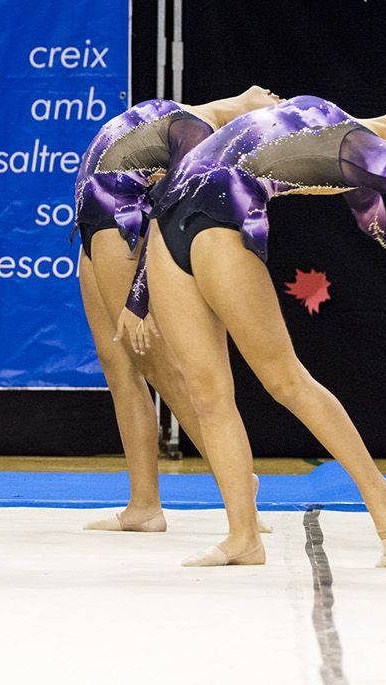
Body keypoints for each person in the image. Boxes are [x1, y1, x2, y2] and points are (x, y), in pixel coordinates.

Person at [123, 95, 386, 569]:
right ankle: (242, 535)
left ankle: (381, 495)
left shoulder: (365, 148)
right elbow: (375, 224)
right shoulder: (347, 138)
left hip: (221, 224)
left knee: (284, 381)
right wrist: (137, 298)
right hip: (168, 222)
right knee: (205, 394)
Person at [73, 87, 282, 534]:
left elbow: (167, 210)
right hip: (92, 223)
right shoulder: (190, 114)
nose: (273, 97)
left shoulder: (200, 134)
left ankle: (240, 490)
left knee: (162, 369)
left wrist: (139, 300)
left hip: (119, 225)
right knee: (118, 367)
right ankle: (143, 505)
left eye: (276, 105)